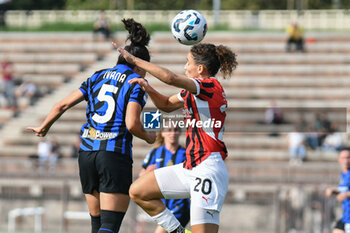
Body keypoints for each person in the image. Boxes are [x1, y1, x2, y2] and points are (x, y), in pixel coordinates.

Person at [27, 18, 156, 233]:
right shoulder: (135, 82)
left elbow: (62, 104)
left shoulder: (96, 77)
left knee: (97, 225)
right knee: (110, 226)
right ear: (139, 64)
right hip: (113, 154)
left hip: (87, 153)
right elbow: (132, 124)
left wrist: (44, 127)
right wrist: (148, 137)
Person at [113, 40, 237, 233]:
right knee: (138, 191)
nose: (185, 67)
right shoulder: (194, 92)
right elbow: (166, 105)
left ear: (200, 69)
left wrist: (134, 60)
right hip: (190, 167)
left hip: (207, 170)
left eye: (188, 63)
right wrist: (148, 87)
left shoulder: (210, 87)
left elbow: (170, 78)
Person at [139, 126, 190, 233]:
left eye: (176, 130)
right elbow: (141, 176)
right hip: (162, 207)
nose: (173, 133)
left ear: (180, 132)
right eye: (169, 130)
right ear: (162, 133)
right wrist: (148, 173)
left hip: (180, 205)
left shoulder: (186, 153)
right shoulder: (155, 152)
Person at [325, 148, 350, 233]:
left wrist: (346, 195)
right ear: (339, 159)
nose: (346, 161)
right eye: (343, 158)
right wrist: (334, 192)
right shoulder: (343, 175)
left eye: (348, 157)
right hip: (346, 216)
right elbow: (345, 191)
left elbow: (346, 193)